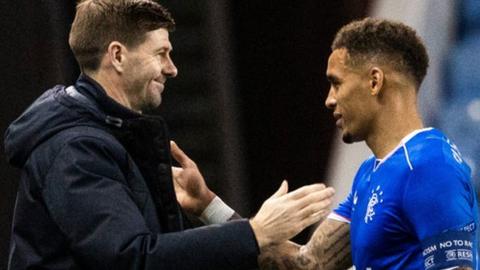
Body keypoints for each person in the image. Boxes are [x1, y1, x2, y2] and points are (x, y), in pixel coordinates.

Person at [3, 1, 335, 269]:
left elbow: (171, 253)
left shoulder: (111, 136)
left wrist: (208, 206)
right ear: (117, 56)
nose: (172, 68)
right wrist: (255, 231)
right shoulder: (76, 148)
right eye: (161, 53)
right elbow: (132, 257)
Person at [177, 18, 479, 269]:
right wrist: (207, 204)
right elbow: (308, 263)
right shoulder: (371, 173)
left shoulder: (428, 165)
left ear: (374, 82)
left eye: (336, 83)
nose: (329, 99)